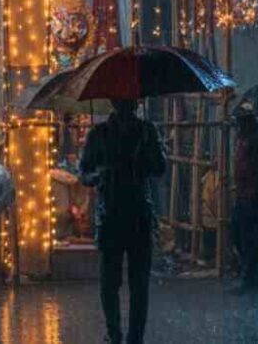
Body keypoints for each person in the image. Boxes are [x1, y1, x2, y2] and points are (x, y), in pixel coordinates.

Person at [79, 99, 167, 344]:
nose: (127, 105)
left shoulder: (147, 132)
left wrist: (148, 155)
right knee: (109, 284)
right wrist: (99, 175)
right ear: (113, 102)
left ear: (136, 103)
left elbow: (160, 168)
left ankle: (135, 337)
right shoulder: (100, 134)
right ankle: (114, 333)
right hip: (111, 215)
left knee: (139, 285)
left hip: (139, 214)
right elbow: (84, 172)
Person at [229, 102, 258, 294]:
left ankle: (251, 279)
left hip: (254, 196)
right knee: (239, 234)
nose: (238, 124)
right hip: (242, 193)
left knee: (249, 238)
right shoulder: (244, 136)